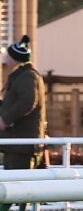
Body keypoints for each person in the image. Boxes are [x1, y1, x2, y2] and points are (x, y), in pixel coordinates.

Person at [0, 35, 46, 170]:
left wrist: (5, 120)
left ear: (15, 59)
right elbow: (13, 104)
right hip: (17, 145)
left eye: (8, 56)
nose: (5, 60)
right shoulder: (22, 76)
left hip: (22, 145)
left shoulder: (27, 76)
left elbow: (27, 102)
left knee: (18, 185)